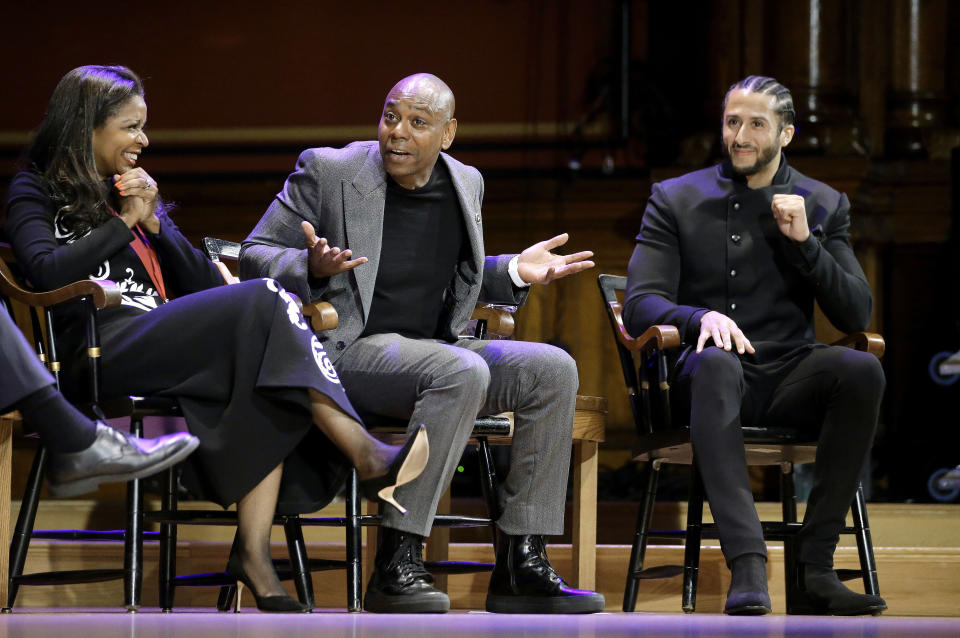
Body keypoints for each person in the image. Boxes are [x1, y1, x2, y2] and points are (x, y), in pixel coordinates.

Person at [3, 65, 429, 613]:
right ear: (88, 127)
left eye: (144, 128)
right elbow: (41, 269)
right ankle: (364, 452)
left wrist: (154, 225)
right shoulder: (34, 188)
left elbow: (204, 286)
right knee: (265, 298)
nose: (143, 141)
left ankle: (253, 554)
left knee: (265, 375)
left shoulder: (132, 196)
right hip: (100, 348)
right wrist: (121, 224)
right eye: (131, 128)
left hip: (161, 342)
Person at [241, 73, 604, 614]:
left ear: (448, 133)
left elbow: (455, 273)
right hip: (349, 349)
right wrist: (309, 267)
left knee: (551, 369)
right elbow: (254, 252)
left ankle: (521, 564)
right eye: (390, 117)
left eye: (417, 122)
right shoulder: (331, 170)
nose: (397, 133)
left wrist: (515, 274)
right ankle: (398, 560)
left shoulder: (466, 183)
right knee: (460, 371)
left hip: (436, 346)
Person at [623, 75, 887, 616]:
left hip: (789, 374)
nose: (740, 136)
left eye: (756, 124)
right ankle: (747, 563)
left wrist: (806, 243)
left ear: (786, 133)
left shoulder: (823, 202)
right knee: (717, 362)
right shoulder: (677, 197)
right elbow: (639, 303)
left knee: (863, 371)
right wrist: (699, 317)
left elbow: (856, 313)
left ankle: (814, 569)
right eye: (731, 122)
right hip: (704, 378)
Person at [1, 305, 199, 496]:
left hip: (151, 318)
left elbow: (203, 281)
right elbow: (44, 274)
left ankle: (71, 436)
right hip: (103, 335)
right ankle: (71, 436)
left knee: (230, 303)